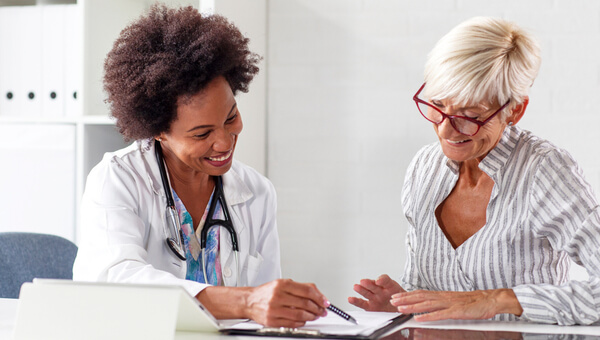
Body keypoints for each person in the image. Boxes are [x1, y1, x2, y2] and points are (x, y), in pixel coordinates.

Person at [73, 4, 329, 328]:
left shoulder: (257, 193)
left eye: (230, 117)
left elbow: (264, 316)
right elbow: (118, 281)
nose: (224, 142)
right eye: (202, 133)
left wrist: (287, 308)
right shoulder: (117, 180)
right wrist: (247, 301)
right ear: (159, 131)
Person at [349, 16, 600, 325]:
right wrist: (407, 303)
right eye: (438, 105)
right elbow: (440, 302)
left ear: (515, 110)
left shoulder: (543, 171)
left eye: (470, 114)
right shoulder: (423, 169)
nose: (445, 129)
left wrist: (497, 300)